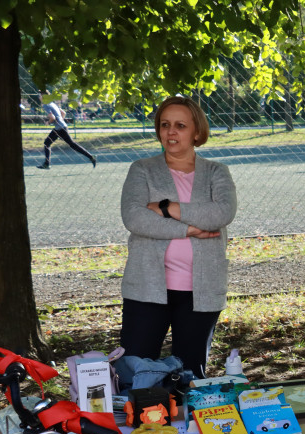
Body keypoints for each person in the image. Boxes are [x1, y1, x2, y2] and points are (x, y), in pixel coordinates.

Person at [119, 95, 237, 378]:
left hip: (201, 290)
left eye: (180, 125)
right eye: (165, 124)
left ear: (197, 132)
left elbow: (221, 213)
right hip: (146, 288)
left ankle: (187, 423)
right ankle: (141, 423)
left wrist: (165, 208)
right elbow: (134, 217)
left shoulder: (216, 173)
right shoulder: (142, 170)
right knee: (136, 371)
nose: (171, 132)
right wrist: (189, 230)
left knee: (190, 375)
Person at [37, 100, 97, 169]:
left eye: (40, 95)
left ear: (43, 96)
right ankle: (46, 164)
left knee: (72, 144)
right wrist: (60, 121)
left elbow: (52, 117)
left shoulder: (46, 105)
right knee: (47, 142)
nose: (39, 97)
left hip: (60, 128)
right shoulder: (53, 103)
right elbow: (63, 113)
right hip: (60, 128)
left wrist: (48, 122)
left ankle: (91, 157)